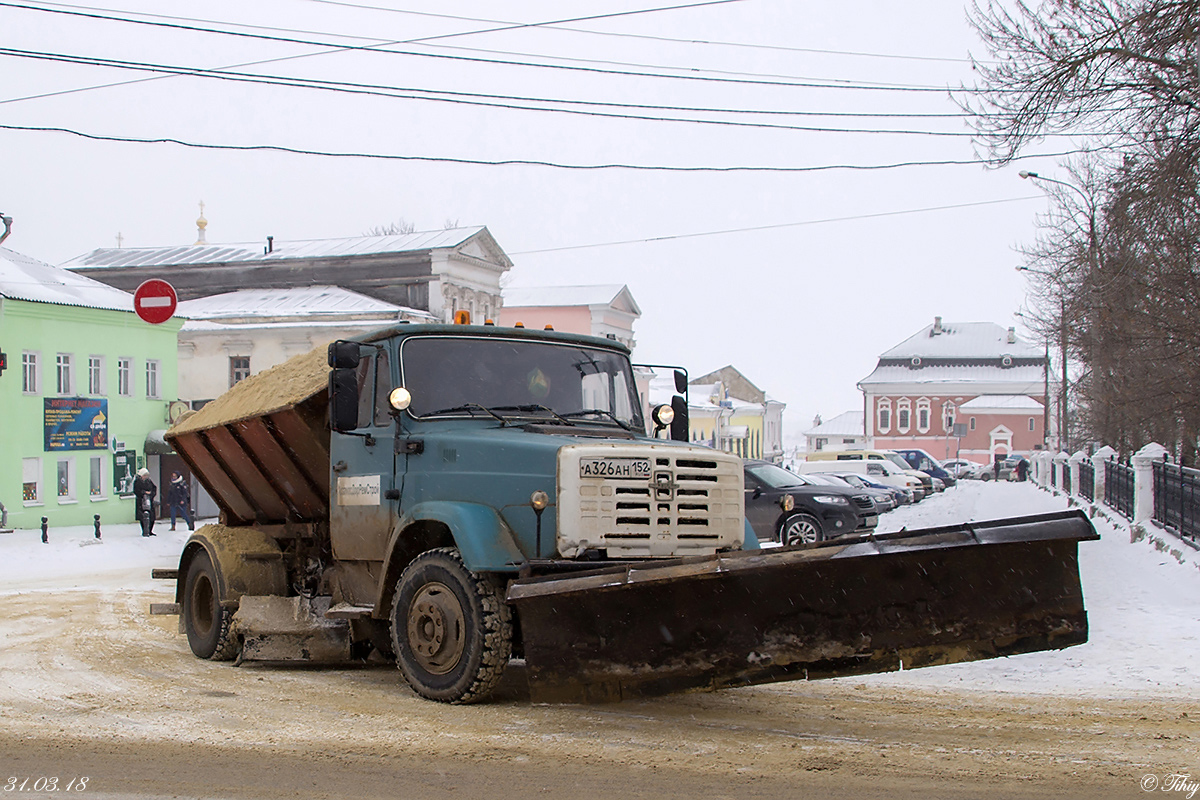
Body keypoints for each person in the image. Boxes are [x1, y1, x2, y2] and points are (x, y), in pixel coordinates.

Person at [132, 467, 157, 537]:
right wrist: (143, 492)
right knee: (142, 517)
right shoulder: (137, 482)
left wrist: (151, 493)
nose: (146, 477)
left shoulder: (149, 481)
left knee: (152, 517)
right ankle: (145, 530)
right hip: (141, 502)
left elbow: (154, 488)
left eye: (147, 475)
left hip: (149, 501)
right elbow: (136, 491)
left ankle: (150, 530)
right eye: (145, 475)